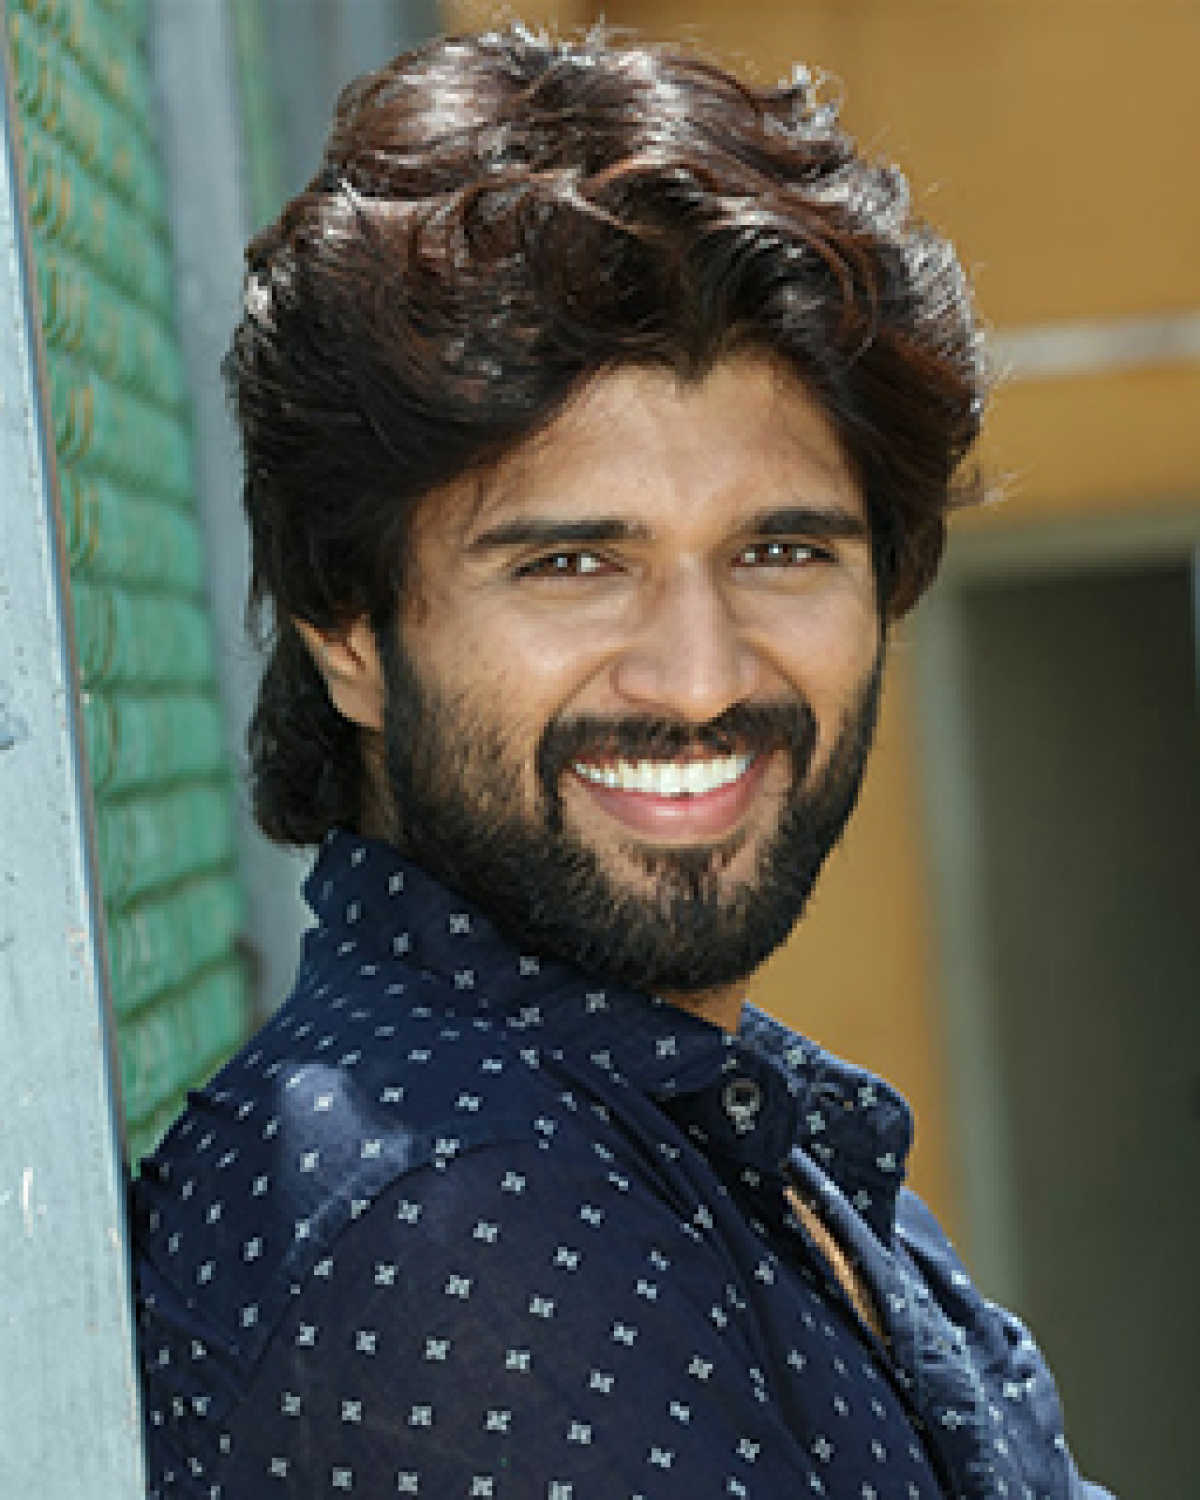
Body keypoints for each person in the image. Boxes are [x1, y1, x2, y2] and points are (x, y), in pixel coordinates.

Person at [132, 25, 1112, 1500]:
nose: (702, 678)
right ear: (349, 634)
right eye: (574, 565)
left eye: (781, 552)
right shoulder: (461, 1235)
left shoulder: (716, 1119)